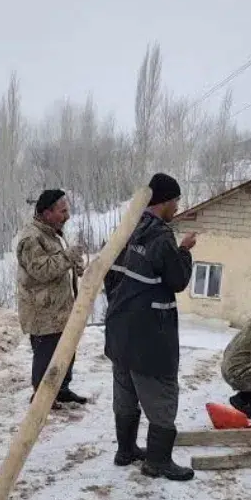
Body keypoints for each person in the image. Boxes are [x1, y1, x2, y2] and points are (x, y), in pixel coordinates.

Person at [104, 172, 197, 480]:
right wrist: (184, 251)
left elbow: (109, 274)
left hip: (120, 330)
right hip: (151, 335)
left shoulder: (126, 229)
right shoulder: (161, 238)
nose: (177, 207)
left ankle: (126, 449)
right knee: (161, 395)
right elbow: (177, 280)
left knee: (126, 390)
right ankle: (158, 462)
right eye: (176, 201)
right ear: (165, 202)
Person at [16, 189, 88, 406]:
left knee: (65, 352)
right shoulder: (32, 238)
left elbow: (57, 264)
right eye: (62, 211)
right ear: (47, 213)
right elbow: (41, 270)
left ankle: (61, 389)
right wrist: (68, 257)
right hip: (43, 313)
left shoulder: (52, 233)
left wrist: (74, 266)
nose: (67, 216)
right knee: (46, 357)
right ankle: (41, 397)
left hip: (60, 310)